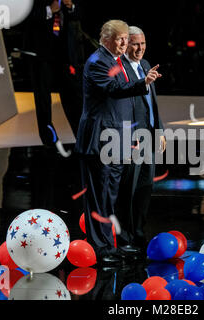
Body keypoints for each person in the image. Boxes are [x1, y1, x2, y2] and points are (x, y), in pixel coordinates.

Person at [74, 20, 162, 265]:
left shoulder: (114, 61)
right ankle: (100, 249)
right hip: (100, 140)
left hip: (116, 141)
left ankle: (109, 245)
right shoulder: (97, 62)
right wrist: (142, 83)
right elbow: (114, 89)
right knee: (99, 196)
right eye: (120, 39)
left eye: (126, 38)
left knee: (110, 196)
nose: (124, 43)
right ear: (106, 39)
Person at [117, 26, 166, 252]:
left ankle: (137, 232)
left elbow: (152, 105)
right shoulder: (120, 69)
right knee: (129, 189)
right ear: (126, 44)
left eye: (143, 43)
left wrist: (160, 131)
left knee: (145, 187)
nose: (140, 48)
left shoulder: (146, 65)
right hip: (132, 139)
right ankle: (124, 237)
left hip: (149, 136)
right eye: (135, 44)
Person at [23, 0, 86, 156]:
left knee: (72, 94)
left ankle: (82, 138)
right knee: (43, 98)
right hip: (40, 52)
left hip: (63, 52)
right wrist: (49, 10)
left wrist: (71, 6)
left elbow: (79, 14)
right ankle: (49, 142)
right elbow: (23, 15)